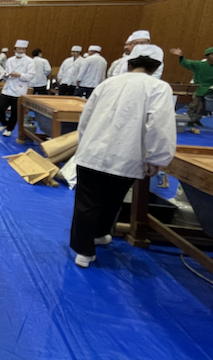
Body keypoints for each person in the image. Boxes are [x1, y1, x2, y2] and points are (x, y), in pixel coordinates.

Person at [70, 45, 176, 268]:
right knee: (113, 199)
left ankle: (83, 251)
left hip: (92, 153)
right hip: (127, 154)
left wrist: (84, 144)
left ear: (129, 63)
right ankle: (99, 234)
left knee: (86, 202)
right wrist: (157, 158)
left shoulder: (108, 84)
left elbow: (86, 119)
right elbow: (159, 125)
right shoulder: (159, 87)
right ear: (158, 67)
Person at [170, 46, 213, 127]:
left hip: (211, 88)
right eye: (212, 54)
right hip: (198, 88)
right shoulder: (199, 64)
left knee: (203, 107)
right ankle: (190, 119)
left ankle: (197, 119)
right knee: (194, 105)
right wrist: (181, 56)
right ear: (207, 56)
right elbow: (187, 63)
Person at [0, 40, 35, 137]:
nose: (21, 51)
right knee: (0, 107)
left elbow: (30, 75)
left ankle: (10, 129)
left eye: (23, 49)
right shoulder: (10, 60)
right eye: (19, 49)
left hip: (19, 90)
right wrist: (4, 75)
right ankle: (4, 124)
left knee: (15, 111)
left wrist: (19, 75)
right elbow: (6, 73)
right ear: (15, 49)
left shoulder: (29, 61)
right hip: (8, 88)